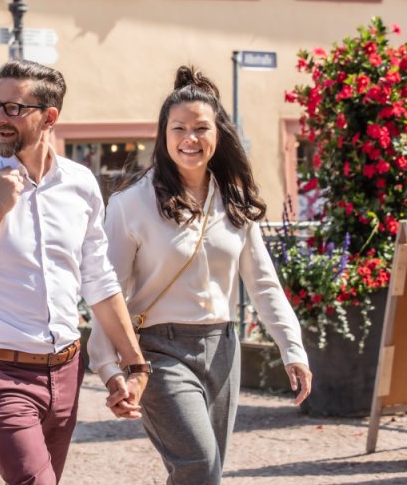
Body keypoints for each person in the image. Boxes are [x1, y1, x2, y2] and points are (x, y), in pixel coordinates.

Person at [0, 60, 149, 485]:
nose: (1, 120)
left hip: (66, 371)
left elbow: (99, 281)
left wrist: (135, 366)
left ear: (49, 117)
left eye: (14, 108)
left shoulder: (80, 185)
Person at [88, 66, 313, 484]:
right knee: (200, 466)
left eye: (200, 128)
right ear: (164, 134)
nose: (190, 138)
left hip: (224, 348)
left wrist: (291, 348)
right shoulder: (130, 204)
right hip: (159, 350)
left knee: (206, 472)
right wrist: (108, 367)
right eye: (179, 129)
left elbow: (262, 283)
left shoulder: (235, 202)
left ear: (217, 134)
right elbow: (109, 290)